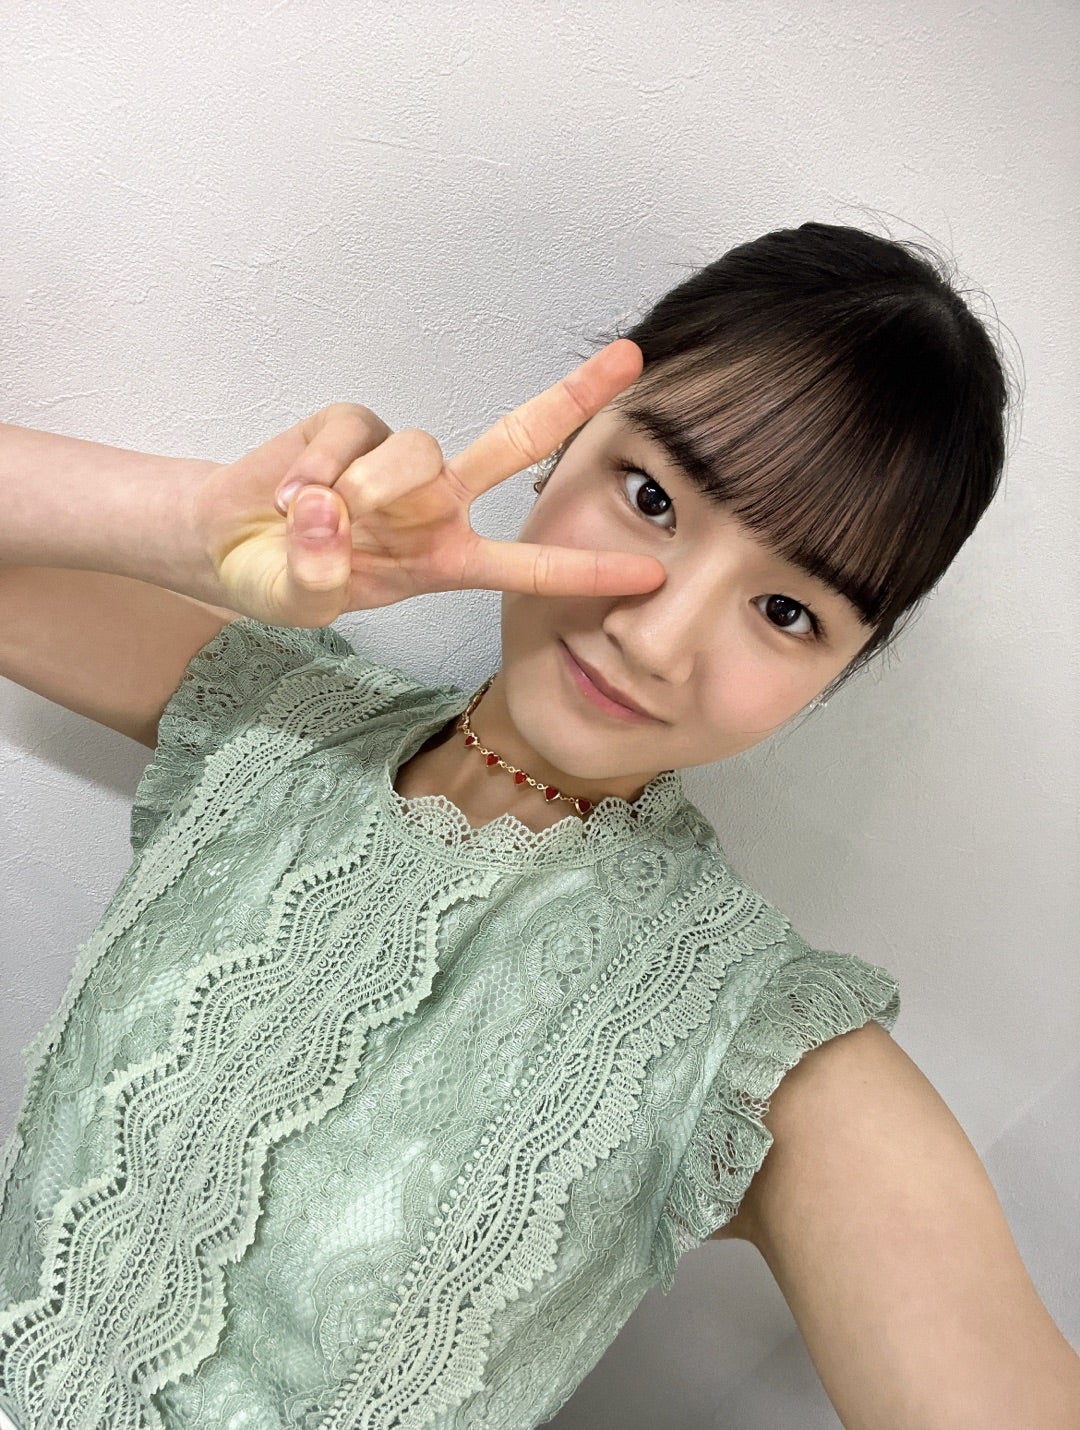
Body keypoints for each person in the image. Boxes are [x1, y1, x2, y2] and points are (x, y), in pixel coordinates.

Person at [0, 221, 1076, 1429]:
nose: (657, 638)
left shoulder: (759, 1045)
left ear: (835, 675)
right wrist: (196, 525)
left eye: (787, 610)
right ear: (560, 447)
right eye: (652, 496)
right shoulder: (274, 717)